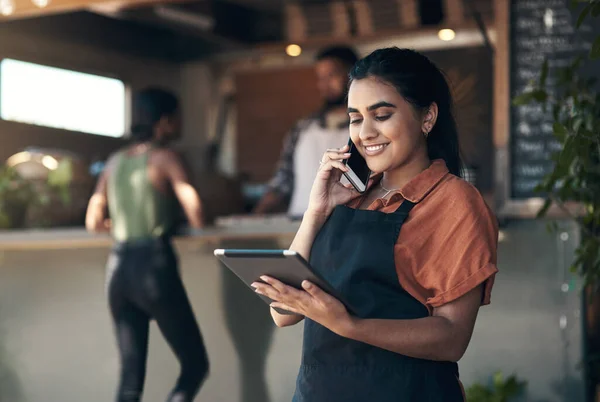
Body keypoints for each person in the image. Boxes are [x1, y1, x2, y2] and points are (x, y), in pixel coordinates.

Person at [251, 47, 499, 401]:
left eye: (381, 115)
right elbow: (284, 312)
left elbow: (451, 337)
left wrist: (348, 325)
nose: (364, 133)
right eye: (355, 118)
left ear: (427, 117)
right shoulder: (349, 195)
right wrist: (315, 212)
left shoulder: (453, 202)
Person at [85, 87, 209, 402]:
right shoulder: (166, 157)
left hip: (118, 271)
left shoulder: (114, 162)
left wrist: (120, 222)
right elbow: (196, 215)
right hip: (153, 269)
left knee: (130, 380)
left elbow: (93, 221)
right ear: (164, 121)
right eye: (177, 118)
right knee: (194, 366)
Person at [253, 45, 360, 217]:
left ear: (353, 73)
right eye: (321, 78)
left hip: (349, 222)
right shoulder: (303, 128)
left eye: (332, 75)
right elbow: (283, 180)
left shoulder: (365, 127)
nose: (325, 84)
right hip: (299, 221)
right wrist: (257, 214)